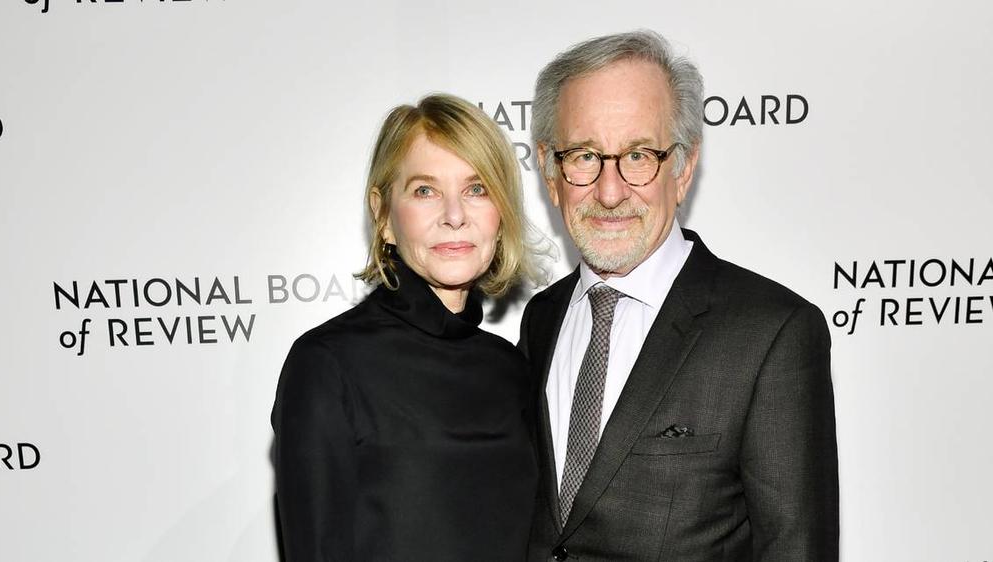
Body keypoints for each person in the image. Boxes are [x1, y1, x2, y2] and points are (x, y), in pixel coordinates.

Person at [520, 31, 839, 561]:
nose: (610, 190)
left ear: (684, 167)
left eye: (639, 155)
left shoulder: (772, 334)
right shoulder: (541, 320)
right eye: (583, 156)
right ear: (551, 172)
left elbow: (796, 549)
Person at [271, 93, 541, 561]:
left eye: (477, 189)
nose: (455, 215)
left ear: (502, 215)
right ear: (384, 217)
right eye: (425, 190)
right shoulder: (327, 366)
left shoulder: (512, 368)